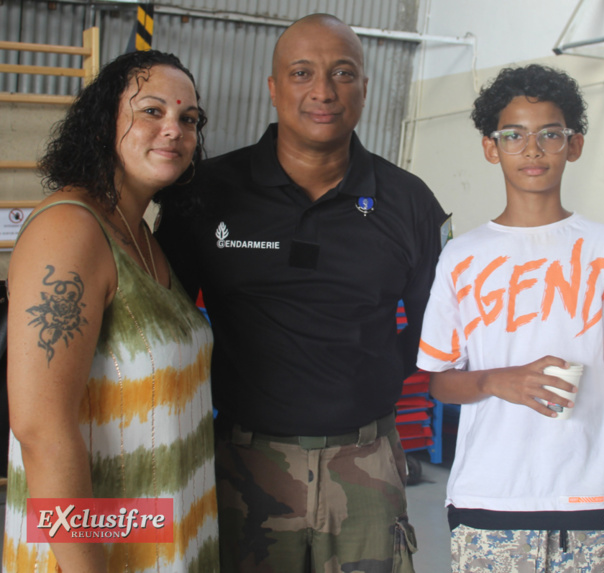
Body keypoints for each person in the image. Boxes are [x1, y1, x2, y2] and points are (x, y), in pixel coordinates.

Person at [154, 13, 449, 573]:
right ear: (273, 88)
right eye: (301, 73)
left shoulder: (408, 201)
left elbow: (438, 323)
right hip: (244, 463)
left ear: (364, 87)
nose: (323, 91)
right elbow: (165, 320)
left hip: (368, 463)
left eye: (343, 73)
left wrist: (378, 374)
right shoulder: (208, 193)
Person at [3, 50, 218, 572]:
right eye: (151, 111)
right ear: (105, 124)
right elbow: (40, 427)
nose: (174, 129)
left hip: (159, 534)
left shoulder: (141, 235)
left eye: (188, 119)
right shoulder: (69, 231)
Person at [416, 64, 604, 572]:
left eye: (549, 134)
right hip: (490, 499)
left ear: (573, 145)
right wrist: (497, 380)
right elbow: (440, 384)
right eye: (513, 135)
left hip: (590, 496)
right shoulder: (462, 256)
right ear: (491, 148)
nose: (531, 150)